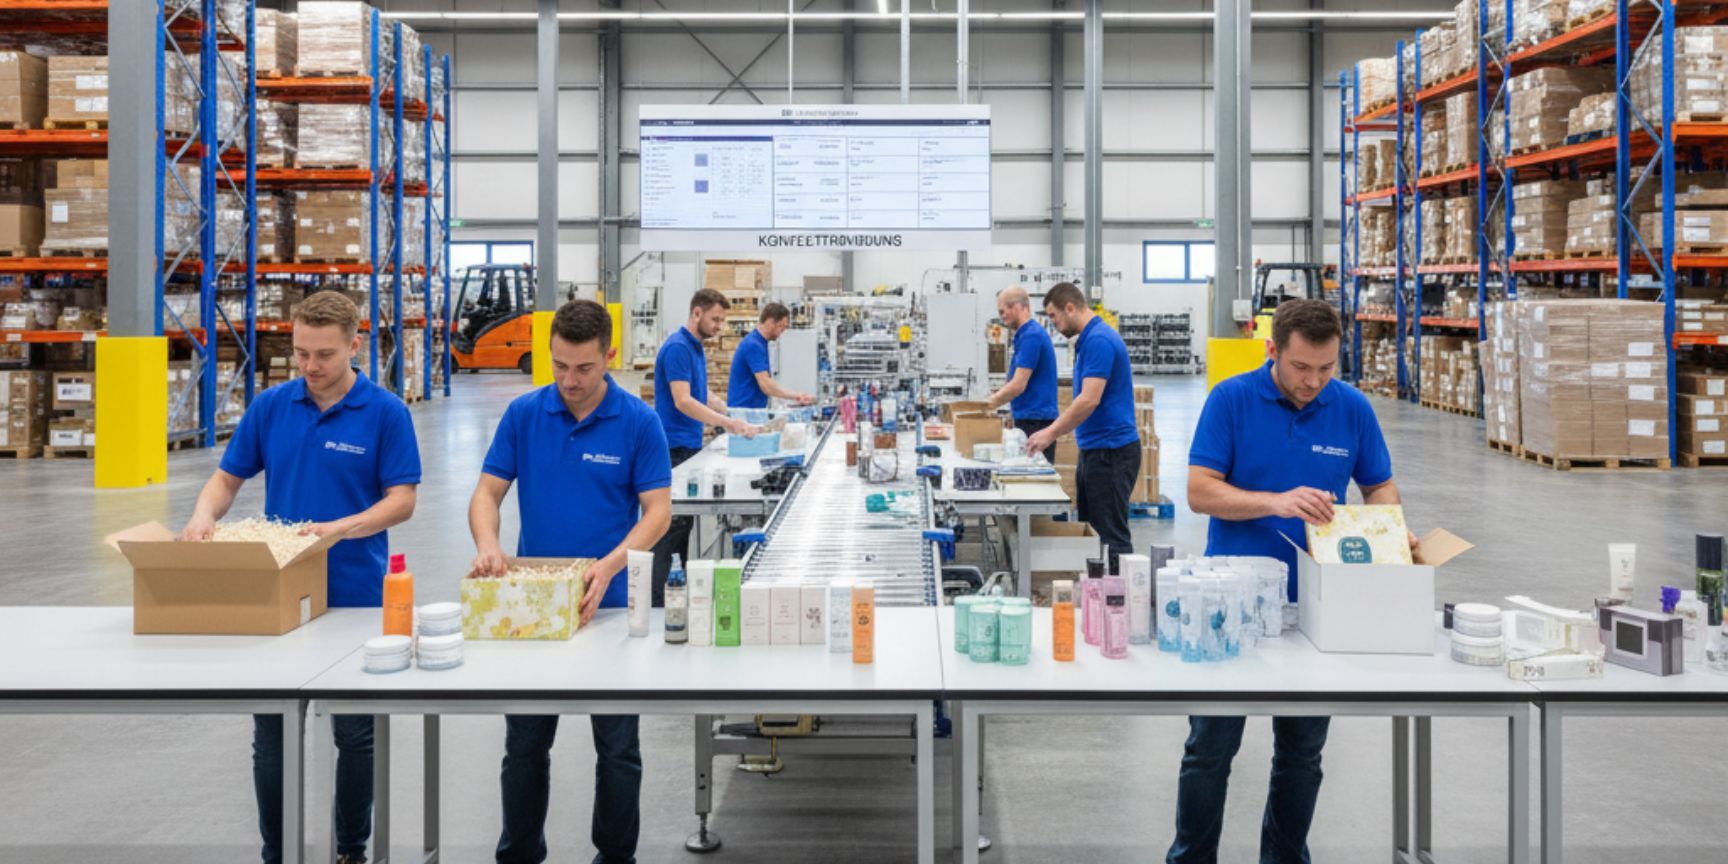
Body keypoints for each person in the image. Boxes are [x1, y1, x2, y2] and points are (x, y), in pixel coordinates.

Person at [179, 291, 421, 864]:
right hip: (281, 595)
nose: (310, 367)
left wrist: (342, 528)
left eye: (324, 356)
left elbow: (403, 500)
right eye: (300, 353)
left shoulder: (386, 412)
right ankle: (278, 850)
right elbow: (227, 479)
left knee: (355, 736)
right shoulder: (272, 406)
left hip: (356, 598)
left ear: (354, 346)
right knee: (274, 735)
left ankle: (350, 850)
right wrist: (201, 517)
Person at [1171, 298, 1411, 864]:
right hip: (1229, 605)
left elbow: (1379, 485)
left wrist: (1390, 531)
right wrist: (1274, 502)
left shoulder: (1350, 408)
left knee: (1302, 753)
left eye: (1327, 368)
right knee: (1210, 749)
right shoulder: (1230, 400)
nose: (1314, 381)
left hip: (1315, 611)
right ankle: (1190, 858)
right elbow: (1200, 490)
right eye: (1302, 368)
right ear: (1273, 350)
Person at [468, 298, 673, 864]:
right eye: (558, 365)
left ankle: (614, 855)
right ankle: (519, 853)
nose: (569, 380)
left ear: (610, 356)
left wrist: (606, 567)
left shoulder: (638, 422)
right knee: (526, 746)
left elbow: (657, 512)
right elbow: (487, 493)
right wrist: (489, 544)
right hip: (535, 606)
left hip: (608, 608)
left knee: (618, 747)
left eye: (583, 368)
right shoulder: (524, 415)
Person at [652, 288, 759, 602]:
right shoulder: (677, 348)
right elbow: (682, 400)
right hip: (672, 449)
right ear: (696, 313)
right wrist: (725, 423)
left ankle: (687, 593)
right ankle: (658, 602)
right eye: (715, 319)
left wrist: (734, 413)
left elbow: (701, 394)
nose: (719, 327)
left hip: (688, 447)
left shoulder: (695, 348)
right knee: (668, 528)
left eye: (722, 320)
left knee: (685, 527)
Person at [1026, 282, 1140, 565]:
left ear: (1070, 307)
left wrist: (1050, 433)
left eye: (1053, 316)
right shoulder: (1089, 339)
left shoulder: (1099, 340)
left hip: (1111, 452)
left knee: (1110, 537)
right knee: (1093, 532)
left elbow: (1089, 400)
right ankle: (1098, 598)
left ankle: (1118, 603)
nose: (1052, 324)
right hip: (1096, 450)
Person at [985, 286, 1059, 464]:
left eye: (1003, 311)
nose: (1002, 317)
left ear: (1017, 307)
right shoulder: (1024, 335)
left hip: (1036, 422)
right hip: (1029, 418)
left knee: (1035, 480)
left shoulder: (1031, 336)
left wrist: (986, 405)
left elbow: (1018, 384)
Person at [727, 301, 814, 409]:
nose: (782, 332)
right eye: (781, 326)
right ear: (770, 322)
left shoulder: (759, 343)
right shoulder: (753, 345)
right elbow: (766, 386)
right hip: (744, 412)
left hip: (749, 411)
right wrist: (797, 396)